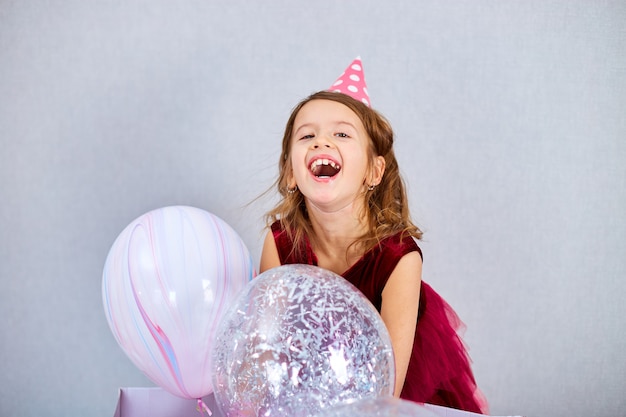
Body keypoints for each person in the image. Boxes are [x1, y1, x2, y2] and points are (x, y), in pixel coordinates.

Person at [259, 57, 488, 414]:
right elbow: (266, 348)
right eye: (307, 136)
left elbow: (386, 389)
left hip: (386, 390)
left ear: (373, 171)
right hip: (308, 386)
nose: (321, 142)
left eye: (342, 134)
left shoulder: (399, 257)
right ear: (291, 173)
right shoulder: (280, 242)